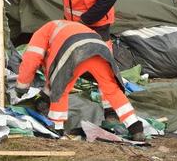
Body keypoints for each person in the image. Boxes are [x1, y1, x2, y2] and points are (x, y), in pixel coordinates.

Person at [14, 20, 145, 140]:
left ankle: (56, 127)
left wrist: (21, 87)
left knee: (61, 89)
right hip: (99, 49)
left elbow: (31, 61)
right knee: (112, 89)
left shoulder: (40, 35)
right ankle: (135, 127)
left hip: (74, 50)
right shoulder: (63, 27)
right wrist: (45, 93)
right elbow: (53, 72)